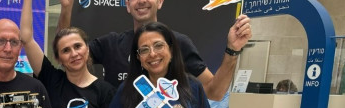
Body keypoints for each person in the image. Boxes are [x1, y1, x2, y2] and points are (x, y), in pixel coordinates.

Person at [58, 0, 252, 101]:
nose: (141, 1)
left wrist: (232, 51)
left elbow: (214, 92)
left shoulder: (179, 43)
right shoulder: (111, 43)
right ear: (127, 5)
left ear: (160, 2)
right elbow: (65, 53)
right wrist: (66, 9)